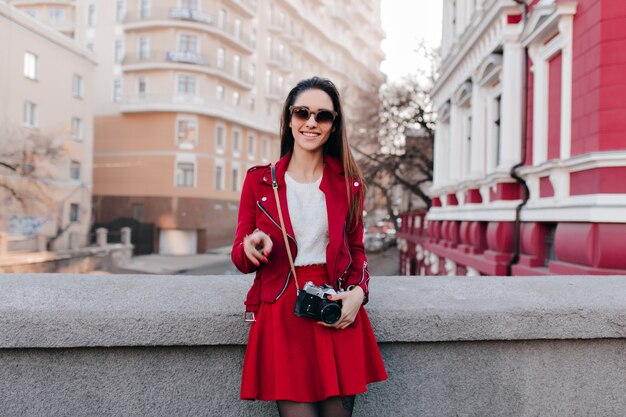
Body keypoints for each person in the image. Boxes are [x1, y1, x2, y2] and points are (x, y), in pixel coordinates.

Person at [231, 77, 387, 417]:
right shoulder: (259, 181)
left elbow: (357, 250)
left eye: (323, 116)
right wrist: (252, 247)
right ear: (290, 120)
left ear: (334, 126)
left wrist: (359, 293)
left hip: (334, 307)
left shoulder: (348, 184)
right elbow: (240, 258)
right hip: (282, 311)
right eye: (302, 113)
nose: (311, 122)